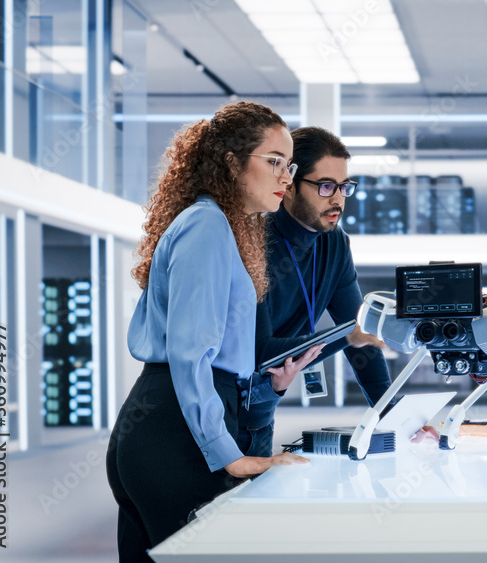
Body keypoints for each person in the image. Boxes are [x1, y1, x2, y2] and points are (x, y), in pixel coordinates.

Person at [106, 101, 322, 562]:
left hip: (167, 422)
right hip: (176, 434)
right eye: (274, 162)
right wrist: (230, 456)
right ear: (231, 162)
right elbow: (190, 355)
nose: (287, 177)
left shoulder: (217, 226)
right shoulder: (206, 225)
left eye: (291, 165)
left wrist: (265, 383)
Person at [238, 126, 392, 457]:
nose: (337, 199)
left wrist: (392, 416)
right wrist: (348, 337)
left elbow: (358, 334)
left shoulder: (335, 243)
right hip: (216, 415)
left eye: (344, 187)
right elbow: (261, 350)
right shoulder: (253, 243)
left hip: (262, 412)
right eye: (325, 186)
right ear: (290, 184)